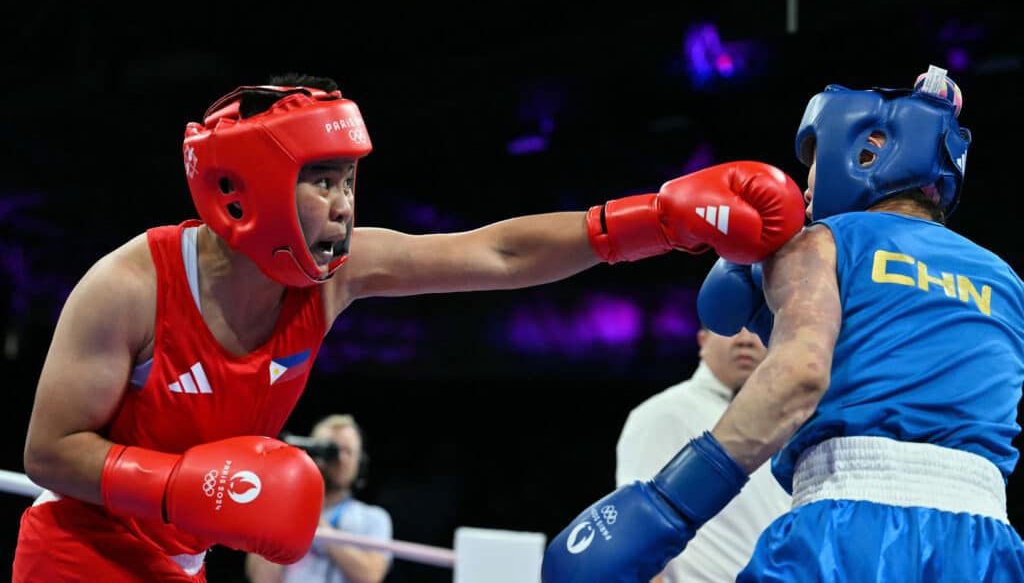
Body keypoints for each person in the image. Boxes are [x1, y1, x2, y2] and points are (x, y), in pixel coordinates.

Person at [11, 72, 806, 582]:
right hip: (76, 556)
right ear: (242, 189)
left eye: (348, 179)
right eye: (320, 180)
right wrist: (180, 486)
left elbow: (493, 252)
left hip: (178, 563)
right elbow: (47, 450)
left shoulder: (334, 276)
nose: (345, 205)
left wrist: (652, 220)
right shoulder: (130, 287)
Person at [541, 65, 1024, 582]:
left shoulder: (824, 241)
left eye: (814, 159)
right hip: (985, 544)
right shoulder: (1007, 281)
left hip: (851, 527)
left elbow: (800, 374)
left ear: (868, 151)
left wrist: (667, 506)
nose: (807, 185)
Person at [614, 326, 789, 582]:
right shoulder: (663, 413)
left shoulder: (790, 420)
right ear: (703, 341)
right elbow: (637, 530)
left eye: (754, 327)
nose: (744, 339)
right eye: (732, 326)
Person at [245, 414, 392, 583]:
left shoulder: (374, 518)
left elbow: (371, 575)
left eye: (349, 451)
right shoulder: (285, 514)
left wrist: (319, 528)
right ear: (313, 453)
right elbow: (262, 579)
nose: (341, 459)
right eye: (332, 450)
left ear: (360, 462)